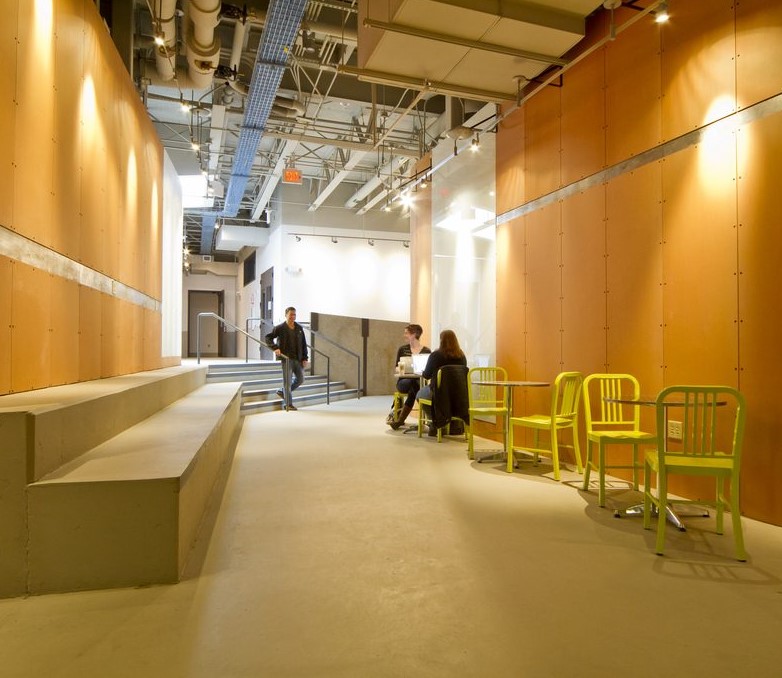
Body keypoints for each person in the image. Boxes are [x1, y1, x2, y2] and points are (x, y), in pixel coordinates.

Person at [415, 329, 468, 436]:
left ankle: (436, 423)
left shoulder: (436, 355)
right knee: (449, 399)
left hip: (439, 392)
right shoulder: (461, 356)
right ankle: (454, 425)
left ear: (441, 340)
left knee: (419, 395)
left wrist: (422, 372)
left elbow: (426, 375)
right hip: (458, 394)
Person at [265, 307, 308, 411]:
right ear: (286, 315)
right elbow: (268, 337)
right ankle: (288, 404)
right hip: (286, 359)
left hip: (298, 358)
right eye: (291, 315)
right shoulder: (280, 328)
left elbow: (303, 343)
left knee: (301, 379)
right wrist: (275, 348)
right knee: (287, 383)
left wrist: (305, 357)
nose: (293, 316)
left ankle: (282, 391)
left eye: (294, 315)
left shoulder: (299, 328)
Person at [388, 323, 431, 429]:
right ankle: (430, 417)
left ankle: (399, 421)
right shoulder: (402, 349)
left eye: (406, 333)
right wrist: (401, 369)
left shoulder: (427, 351)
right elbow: (396, 368)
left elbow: (428, 371)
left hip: (419, 382)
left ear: (414, 334)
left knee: (414, 387)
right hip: (403, 382)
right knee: (413, 383)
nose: (404, 335)